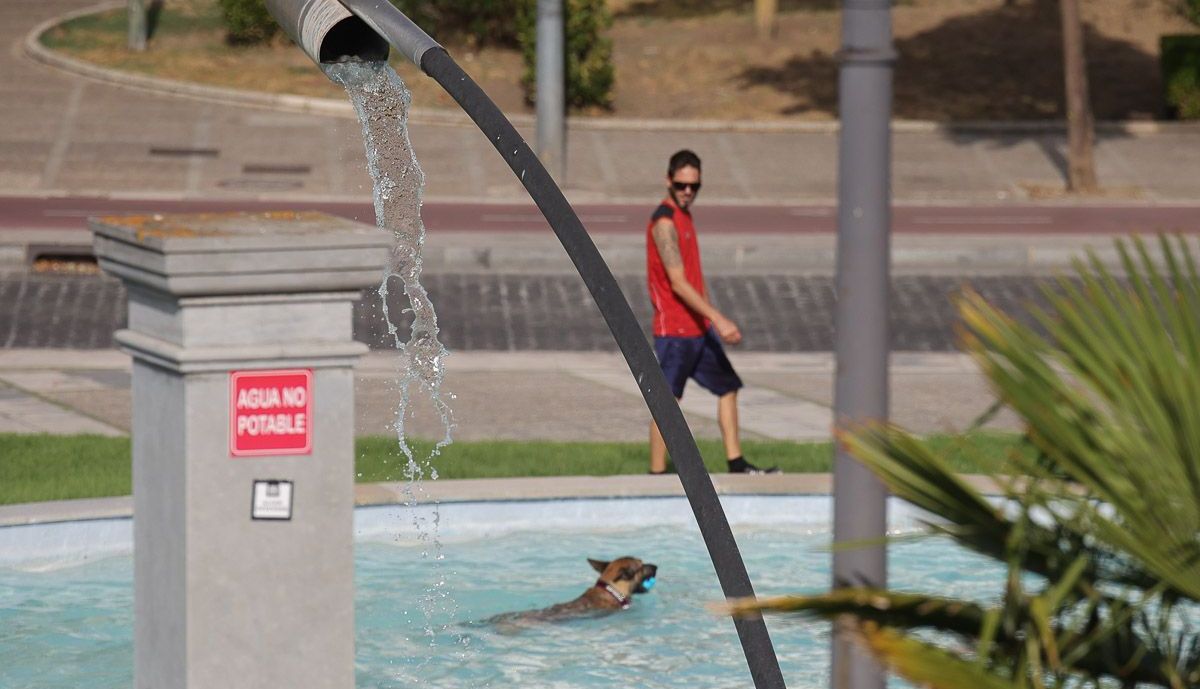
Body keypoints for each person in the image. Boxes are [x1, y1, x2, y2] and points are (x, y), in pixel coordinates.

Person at [645, 149, 779, 475]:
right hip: (674, 331)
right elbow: (677, 282)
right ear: (668, 180)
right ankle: (656, 475)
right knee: (668, 404)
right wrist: (719, 319)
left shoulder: (685, 216)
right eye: (681, 185)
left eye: (694, 187)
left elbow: (693, 278)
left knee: (728, 387)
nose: (688, 192)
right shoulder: (664, 223)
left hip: (698, 329)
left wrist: (709, 319)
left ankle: (736, 463)